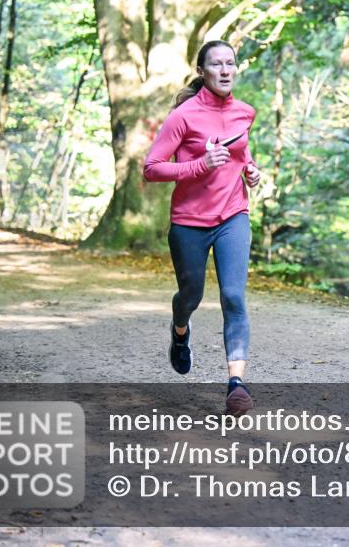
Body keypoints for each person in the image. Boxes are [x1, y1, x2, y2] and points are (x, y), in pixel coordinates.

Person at [144, 40, 262, 416]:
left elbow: (241, 152)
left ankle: (236, 384)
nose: (225, 70)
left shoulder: (245, 112)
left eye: (230, 63)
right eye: (216, 64)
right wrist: (200, 165)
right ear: (202, 71)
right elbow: (152, 167)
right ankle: (180, 332)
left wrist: (251, 169)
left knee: (233, 296)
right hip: (189, 222)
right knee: (190, 295)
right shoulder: (184, 116)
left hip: (233, 216)